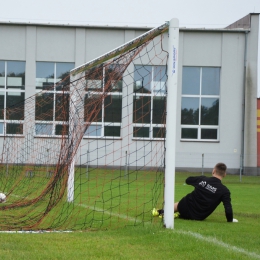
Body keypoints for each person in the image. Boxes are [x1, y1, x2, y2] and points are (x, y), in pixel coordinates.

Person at [153, 163, 237, 222]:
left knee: (184, 201)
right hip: (199, 216)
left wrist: (199, 182)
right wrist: (230, 220)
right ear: (224, 175)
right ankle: (177, 215)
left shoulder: (203, 179)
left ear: (213, 171)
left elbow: (188, 180)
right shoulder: (224, 191)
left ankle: (162, 211)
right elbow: (228, 208)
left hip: (183, 207)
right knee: (190, 204)